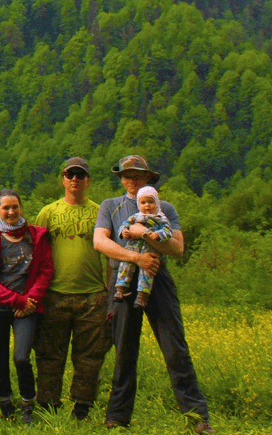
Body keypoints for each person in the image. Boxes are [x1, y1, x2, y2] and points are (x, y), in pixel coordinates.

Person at [94, 155, 211, 434]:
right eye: (126, 175)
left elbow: (178, 249)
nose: (131, 180)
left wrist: (144, 235)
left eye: (137, 175)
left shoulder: (165, 207)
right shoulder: (111, 206)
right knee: (125, 351)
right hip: (123, 280)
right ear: (121, 179)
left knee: (175, 349)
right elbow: (100, 242)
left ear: (148, 178)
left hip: (158, 280)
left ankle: (197, 418)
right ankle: (117, 418)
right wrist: (136, 259)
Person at [33, 157, 112, 420]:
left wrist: (110, 293)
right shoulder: (48, 212)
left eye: (80, 175)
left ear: (88, 180)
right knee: (49, 355)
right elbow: (36, 254)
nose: (75, 179)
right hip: (54, 295)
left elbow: (111, 255)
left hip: (92, 296)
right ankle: (47, 405)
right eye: (70, 175)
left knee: (89, 358)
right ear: (62, 179)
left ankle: (82, 408)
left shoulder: (101, 212)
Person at [0, 188, 53, 423]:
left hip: (28, 308)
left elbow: (45, 270)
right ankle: (5, 404)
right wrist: (18, 300)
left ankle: (28, 404)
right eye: (6, 208)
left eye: (15, 207)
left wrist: (30, 301)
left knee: (21, 357)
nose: (11, 212)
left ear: (20, 207)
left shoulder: (36, 236)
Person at [114, 186, 173, 308]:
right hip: (133, 248)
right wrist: (124, 231)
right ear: (138, 204)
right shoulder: (135, 217)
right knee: (125, 266)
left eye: (151, 202)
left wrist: (158, 235)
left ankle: (142, 296)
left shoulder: (160, 218)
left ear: (157, 203)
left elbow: (168, 231)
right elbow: (124, 225)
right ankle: (120, 289)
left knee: (146, 273)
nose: (147, 206)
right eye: (143, 202)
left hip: (150, 250)